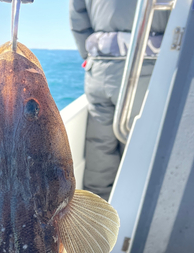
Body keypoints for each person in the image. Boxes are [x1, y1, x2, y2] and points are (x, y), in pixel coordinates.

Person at [69, 0, 169, 200]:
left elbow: (77, 19)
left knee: (100, 145)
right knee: (138, 145)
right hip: (147, 68)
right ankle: (132, 212)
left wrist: (92, 58)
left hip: (100, 71)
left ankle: (97, 219)